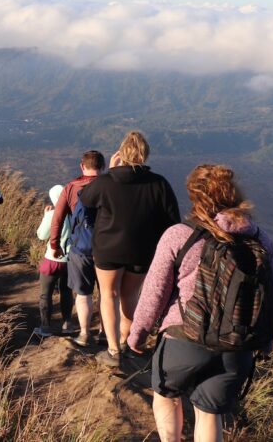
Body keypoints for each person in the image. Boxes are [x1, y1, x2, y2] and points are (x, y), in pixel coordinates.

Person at [127, 164, 273, 442]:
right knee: (209, 414)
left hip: (184, 340)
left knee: (166, 396)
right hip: (237, 348)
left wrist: (138, 332)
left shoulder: (180, 235)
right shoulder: (260, 239)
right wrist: (265, 343)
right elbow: (267, 296)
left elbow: (155, 292)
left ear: (196, 196)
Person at [79, 131, 180, 368]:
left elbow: (85, 199)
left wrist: (110, 171)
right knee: (130, 297)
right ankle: (127, 344)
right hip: (142, 252)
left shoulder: (106, 182)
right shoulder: (159, 184)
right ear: (145, 154)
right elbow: (172, 221)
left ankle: (113, 351)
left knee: (108, 295)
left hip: (107, 249)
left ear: (121, 153)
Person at [49, 150, 106, 346]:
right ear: (103, 166)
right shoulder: (110, 186)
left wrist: (54, 244)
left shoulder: (71, 187)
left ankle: (84, 334)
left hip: (80, 249)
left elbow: (57, 219)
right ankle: (104, 333)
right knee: (106, 294)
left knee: (83, 294)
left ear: (82, 166)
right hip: (107, 249)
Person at [34, 184, 73, 338]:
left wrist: (45, 216)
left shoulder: (52, 215)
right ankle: (67, 325)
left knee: (45, 294)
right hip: (70, 260)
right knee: (66, 292)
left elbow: (42, 235)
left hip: (52, 259)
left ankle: (45, 327)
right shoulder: (74, 213)